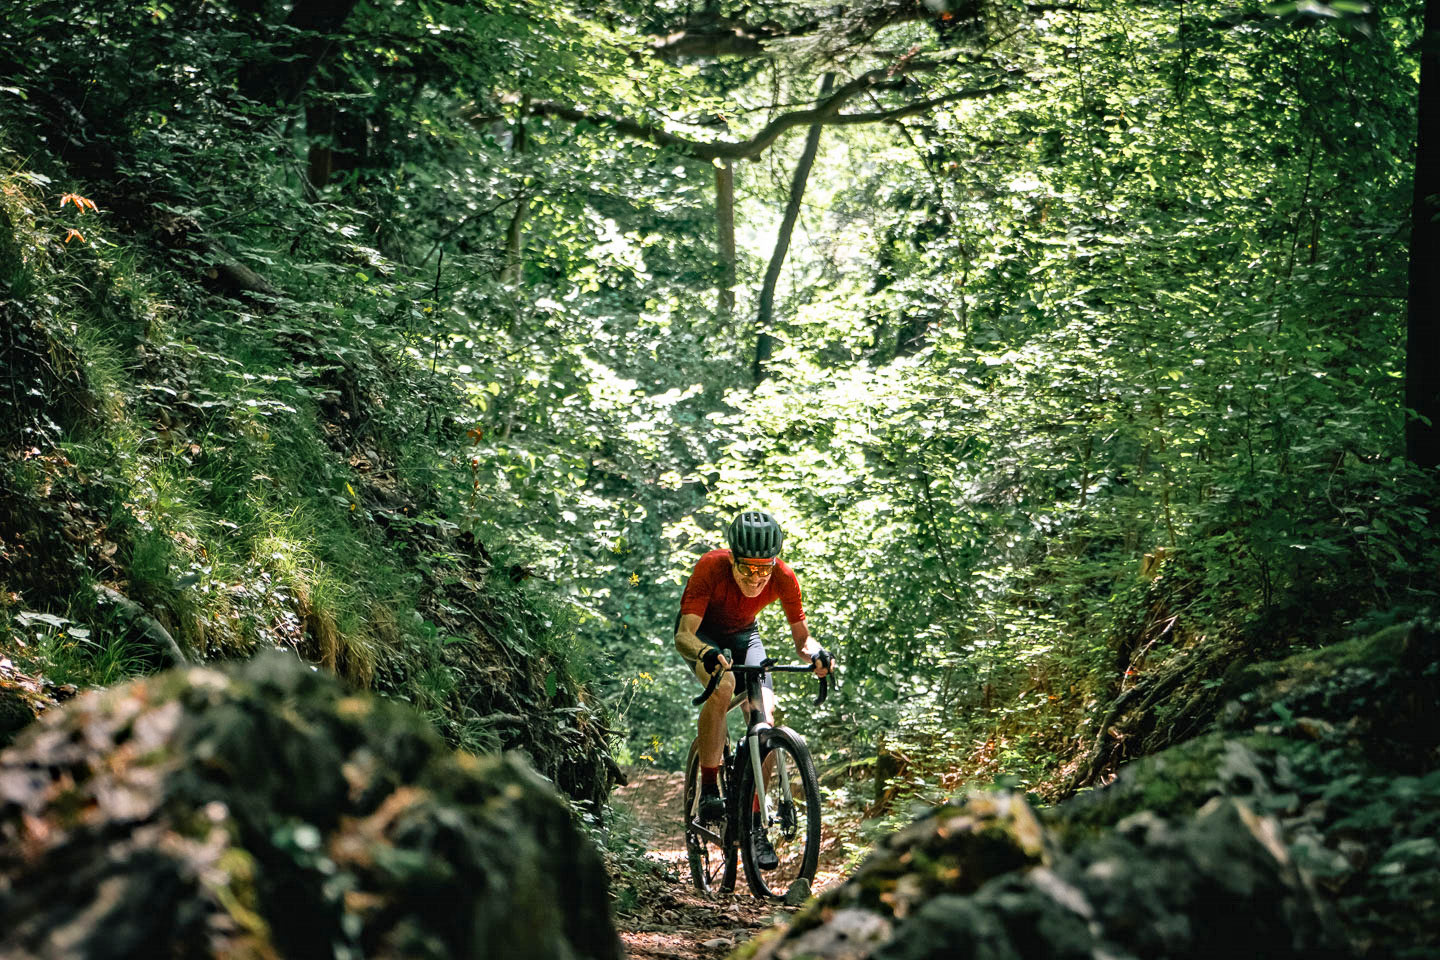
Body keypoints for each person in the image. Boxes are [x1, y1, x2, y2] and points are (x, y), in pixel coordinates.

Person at [674, 509, 834, 870]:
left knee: (764, 714)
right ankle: (710, 789)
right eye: (747, 568)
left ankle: (756, 822)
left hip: (745, 636)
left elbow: (803, 639)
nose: (757, 578)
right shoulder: (710, 567)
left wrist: (818, 653)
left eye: (764, 569)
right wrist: (706, 653)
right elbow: (684, 635)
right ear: (732, 559)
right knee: (725, 686)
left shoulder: (783, 577)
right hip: (703, 635)